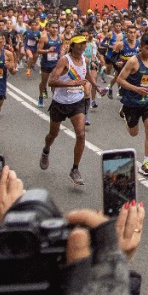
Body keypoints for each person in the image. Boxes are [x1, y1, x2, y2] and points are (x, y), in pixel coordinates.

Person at [41, 34, 93, 185]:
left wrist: (96, 87)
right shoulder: (65, 60)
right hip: (60, 102)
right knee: (53, 134)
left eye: (84, 44)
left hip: (77, 102)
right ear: (72, 46)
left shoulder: (85, 59)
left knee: (81, 134)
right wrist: (71, 83)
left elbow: (87, 75)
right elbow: (51, 81)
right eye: (79, 44)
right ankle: (46, 150)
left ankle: (75, 169)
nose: (83, 46)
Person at [115, 33, 148, 177]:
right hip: (132, 101)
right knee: (133, 132)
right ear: (140, 47)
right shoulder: (133, 61)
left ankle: (146, 163)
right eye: (147, 48)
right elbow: (120, 80)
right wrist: (136, 89)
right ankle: (124, 113)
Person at [36, 22, 63, 107]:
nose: (55, 29)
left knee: (54, 81)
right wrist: (48, 50)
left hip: (56, 63)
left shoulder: (61, 37)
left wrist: (62, 52)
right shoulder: (44, 38)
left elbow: (62, 47)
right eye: (53, 27)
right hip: (46, 63)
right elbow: (38, 50)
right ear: (48, 28)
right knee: (44, 82)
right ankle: (41, 97)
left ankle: (55, 100)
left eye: (56, 28)